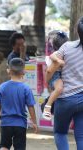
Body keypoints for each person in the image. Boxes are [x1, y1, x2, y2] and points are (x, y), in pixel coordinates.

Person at [46, 17, 83, 150]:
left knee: (60, 132)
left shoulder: (67, 47)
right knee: (81, 135)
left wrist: (48, 83)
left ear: (77, 31)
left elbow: (51, 69)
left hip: (66, 98)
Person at [0, 58, 38, 150]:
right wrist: (34, 122)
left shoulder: (2, 87)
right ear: (24, 72)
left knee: (4, 146)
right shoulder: (26, 88)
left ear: (8, 71)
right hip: (20, 124)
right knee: (20, 147)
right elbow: (31, 107)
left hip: (6, 123)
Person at [42, 30, 68, 120]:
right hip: (55, 76)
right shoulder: (58, 53)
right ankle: (47, 106)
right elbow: (52, 57)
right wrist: (58, 61)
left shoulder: (64, 52)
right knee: (59, 88)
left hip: (58, 75)